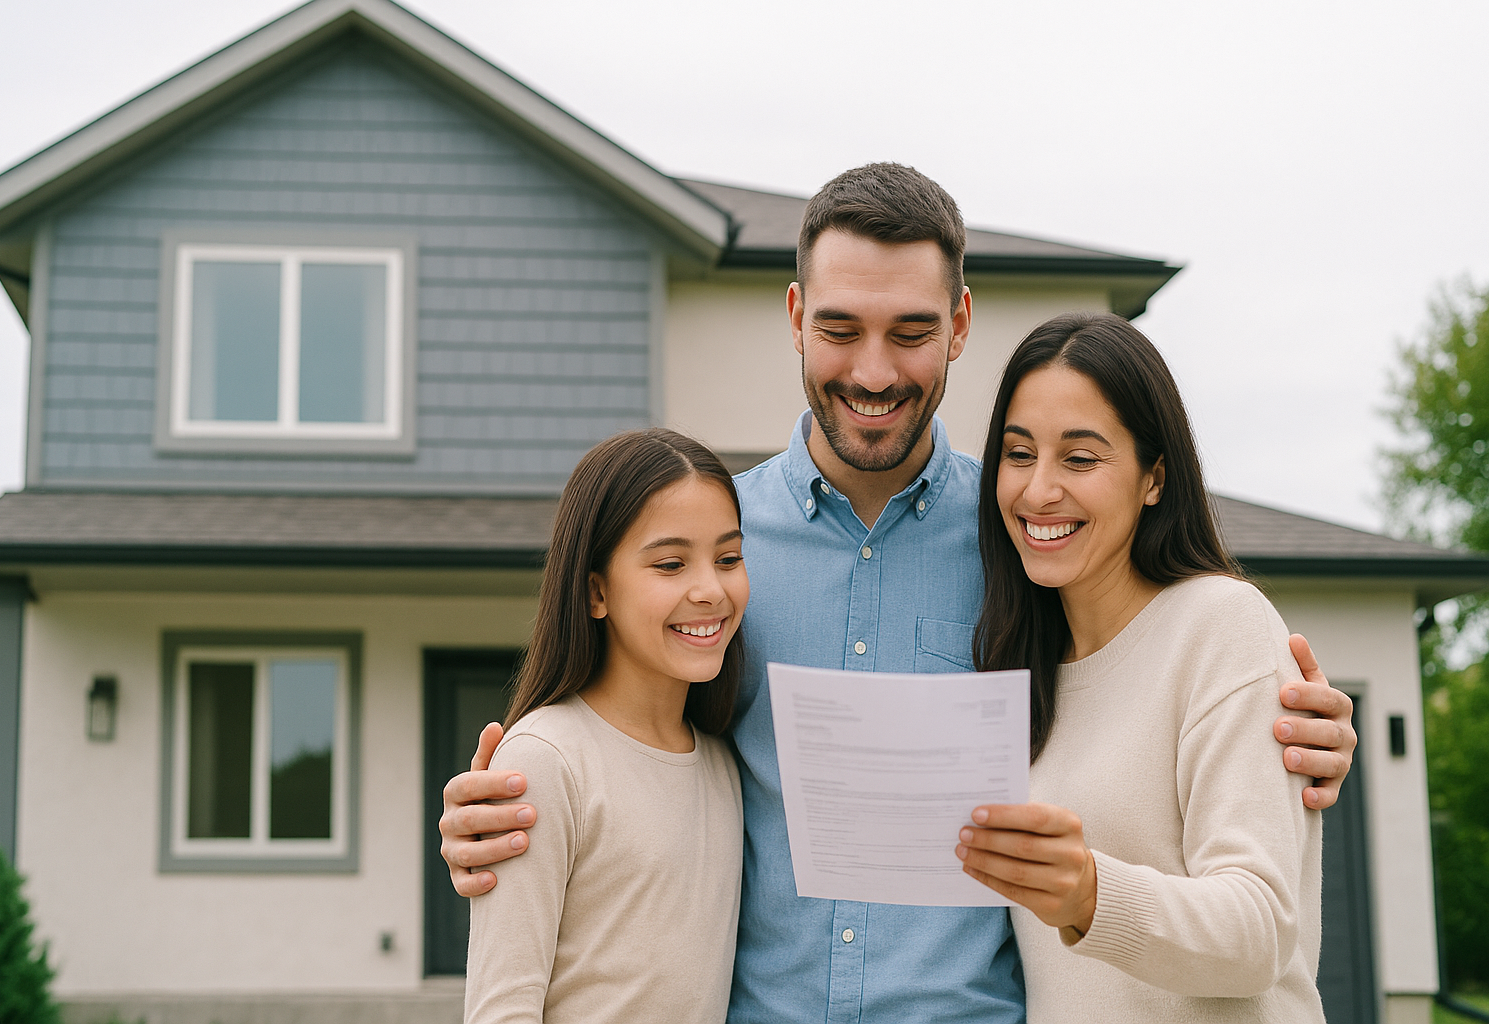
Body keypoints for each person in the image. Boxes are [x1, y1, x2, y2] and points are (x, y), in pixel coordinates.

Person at [440, 164, 1357, 1022]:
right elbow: (625, 738)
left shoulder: (1029, 543)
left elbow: (1141, 674)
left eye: (911, 333)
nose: (874, 372)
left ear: (960, 325)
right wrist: (515, 810)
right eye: (840, 330)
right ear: (795, 315)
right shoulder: (717, 553)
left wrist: (1290, 729)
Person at [954, 313, 1323, 1020]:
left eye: (1081, 458)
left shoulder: (1222, 625)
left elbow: (1259, 932)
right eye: (1019, 452)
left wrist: (1091, 893)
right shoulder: (1017, 666)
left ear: (1154, 478)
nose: (1038, 491)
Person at [462, 428, 748, 1024]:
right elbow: (502, 1006)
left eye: (728, 558)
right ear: (596, 591)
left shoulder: (724, 762)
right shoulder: (546, 758)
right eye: (670, 564)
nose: (710, 589)